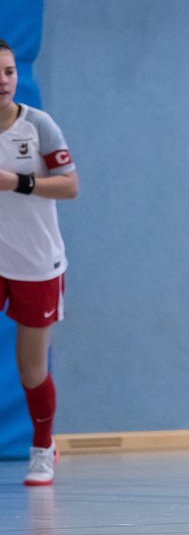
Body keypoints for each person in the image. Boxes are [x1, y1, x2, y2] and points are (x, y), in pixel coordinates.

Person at [0, 38, 78, 486]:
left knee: (31, 368)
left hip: (35, 262)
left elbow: (69, 186)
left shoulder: (39, 126)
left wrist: (17, 182)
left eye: (9, 71)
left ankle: (42, 446)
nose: (3, 80)